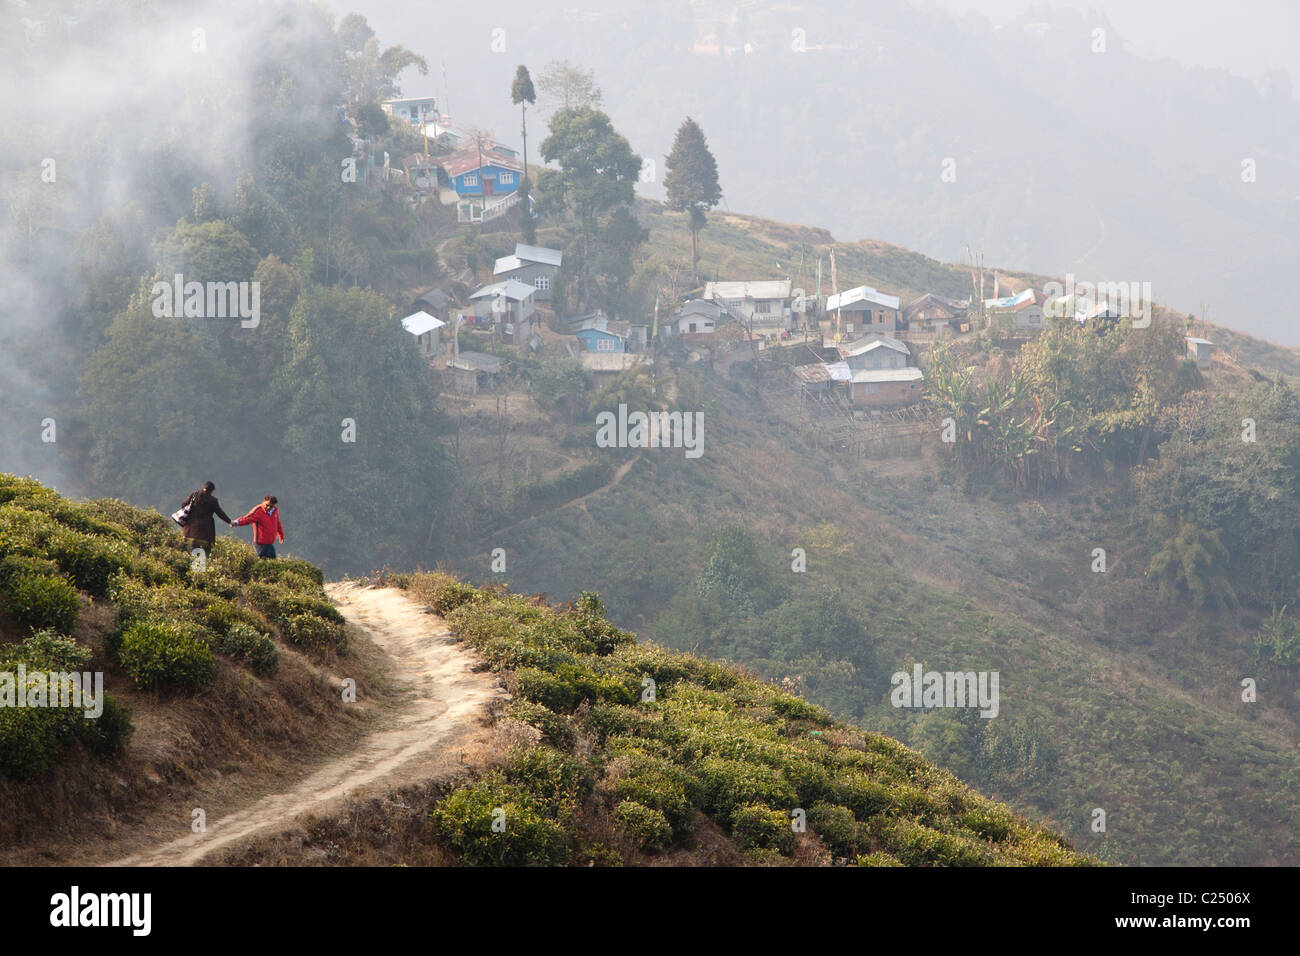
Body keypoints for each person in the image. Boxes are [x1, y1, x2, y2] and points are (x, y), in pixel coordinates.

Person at [179, 481, 232, 558]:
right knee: (201, 558)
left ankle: (189, 569)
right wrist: (230, 521)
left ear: (204, 487)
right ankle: (198, 569)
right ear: (212, 491)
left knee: (188, 556)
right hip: (204, 534)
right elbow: (220, 513)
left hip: (189, 532)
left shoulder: (194, 495)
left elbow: (183, 505)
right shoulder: (213, 501)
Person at [232, 495, 285, 559]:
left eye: (271, 506)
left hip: (270, 544)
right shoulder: (258, 510)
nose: (268, 507)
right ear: (264, 501)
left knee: (273, 563)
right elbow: (247, 518)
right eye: (267, 505)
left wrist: (281, 535)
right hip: (261, 544)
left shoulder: (275, 510)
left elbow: (278, 523)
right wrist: (236, 522)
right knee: (261, 562)